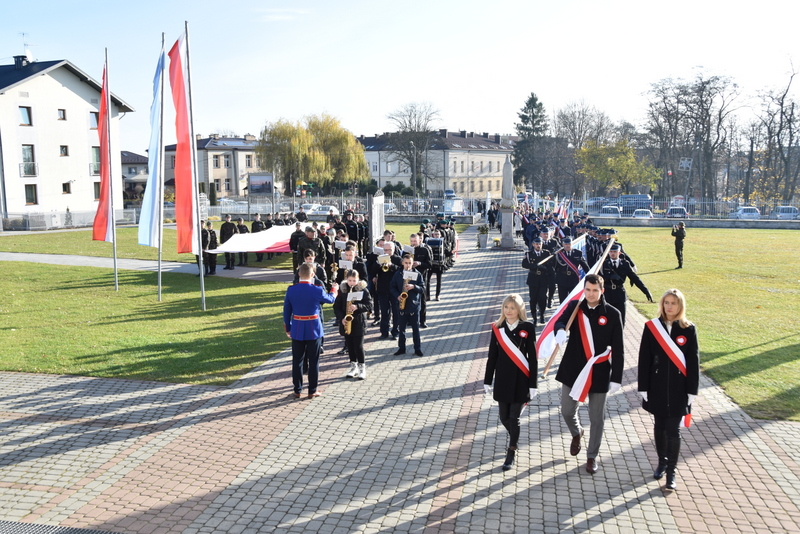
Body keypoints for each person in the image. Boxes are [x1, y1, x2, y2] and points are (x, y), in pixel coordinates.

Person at [553, 274, 624, 474]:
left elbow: (618, 348)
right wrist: (559, 331)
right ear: (583, 289)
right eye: (587, 290)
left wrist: (616, 377)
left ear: (602, 291)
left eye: (595, 290)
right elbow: (560, 322)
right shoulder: (576, 307)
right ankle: (577, 433)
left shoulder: (612, 313)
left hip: (599, 370)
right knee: (567, 411)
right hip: (573, 368)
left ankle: (592, 456)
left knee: (596, 418)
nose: (591, 294)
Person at [638, 289, 699, 490]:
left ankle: (671, 471)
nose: (669, 306)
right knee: (659, 427)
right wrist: (643, 386)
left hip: (679, 389)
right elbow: (644, 358)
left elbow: (693, 361)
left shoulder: (689, 329)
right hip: (656, 386)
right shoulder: (652, 327)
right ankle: (662, 462)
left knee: (673, 429)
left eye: (673, 303)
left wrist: (692, 390)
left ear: (680, 306)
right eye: (666, 303)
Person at [483, 294, 538, 471]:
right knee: (504, 418)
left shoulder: (528, 327)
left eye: (512, 308)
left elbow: (533, 358)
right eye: (506, 307)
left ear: (520, 309)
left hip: (521, 380)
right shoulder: (497, 328)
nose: (508, 311)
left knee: (514, 418)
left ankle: (511, 451)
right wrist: (487, 380)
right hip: (502, 380)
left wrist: (533, 383)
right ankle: (515, 436)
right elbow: (492, 356)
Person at [283, 263, 339, 398]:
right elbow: (331, 300)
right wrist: (334, 289)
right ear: (313, 275)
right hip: (313, 327)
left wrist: (288, 327)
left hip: (297, 327)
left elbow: (286, 312)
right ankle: (312, 390)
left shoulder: (291, 290)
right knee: (314, 361)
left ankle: (297, 389)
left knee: (297, 360)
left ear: (298, 274)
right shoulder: (317, 289)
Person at [334, 270, 373, 380]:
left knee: (358, 346)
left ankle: (362, 368)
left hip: (359, 322)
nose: (351, 283)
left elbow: (369, 305)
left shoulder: (363, 290)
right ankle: (353, 367)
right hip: (346, 322)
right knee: (350, 346)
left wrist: (357, 307)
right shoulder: (343, 291)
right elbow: (337, 306)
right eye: (350, 280)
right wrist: (341, 318)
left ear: (358, 279)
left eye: (354, 281)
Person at [601, 244, 653, 325]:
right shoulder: (603, 263)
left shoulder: (625, 264)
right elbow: (597, 278)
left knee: (621, 320)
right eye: (611, 252)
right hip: (607, 294)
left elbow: (634, 278)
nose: (612, 253)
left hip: (619, 294)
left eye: (615, 251)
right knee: (607, 320)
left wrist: (645, 290)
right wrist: (609, 277)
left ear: (619, 253)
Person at [390, 253, 425, 356]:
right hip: (401, 304)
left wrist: (414, 287)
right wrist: (397, 296)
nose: (408, 265)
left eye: (410, 263)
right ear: (402, 263)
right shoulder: (398, 274)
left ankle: (417, 348)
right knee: (401, 329)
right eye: (406, 263)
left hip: (413, 305)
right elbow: (392, 287)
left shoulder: (417, 274)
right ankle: (402, 348)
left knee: (415, 329)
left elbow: (423, 289)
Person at [522, 237, 553, 325]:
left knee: (543, 298)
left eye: (539, 244)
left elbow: (551, 265)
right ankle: (534, 317)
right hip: (533, 279)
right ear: (533, 244)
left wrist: (547, 268)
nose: (538, 245)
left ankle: (542, 314)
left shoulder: (546, 253)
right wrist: (535, 266)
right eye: (536, 244)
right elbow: (524, 264)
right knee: (533, 299)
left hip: (543, 279)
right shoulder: (529, 254)